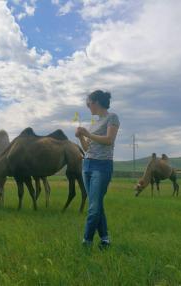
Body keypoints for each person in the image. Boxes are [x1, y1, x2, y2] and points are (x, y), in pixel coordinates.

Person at [75, 90, 120, 249]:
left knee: (93, 208)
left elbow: (109, 140)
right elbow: (87, 148)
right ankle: (105, 240)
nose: (88, 107)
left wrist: (88, 133)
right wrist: (81, 137)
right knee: (96, 204)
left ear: (96, 102)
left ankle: (86, 242)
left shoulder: (112, 118)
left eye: (89, 103)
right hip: (87, 165)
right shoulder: (93, 123)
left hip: (102, 166)